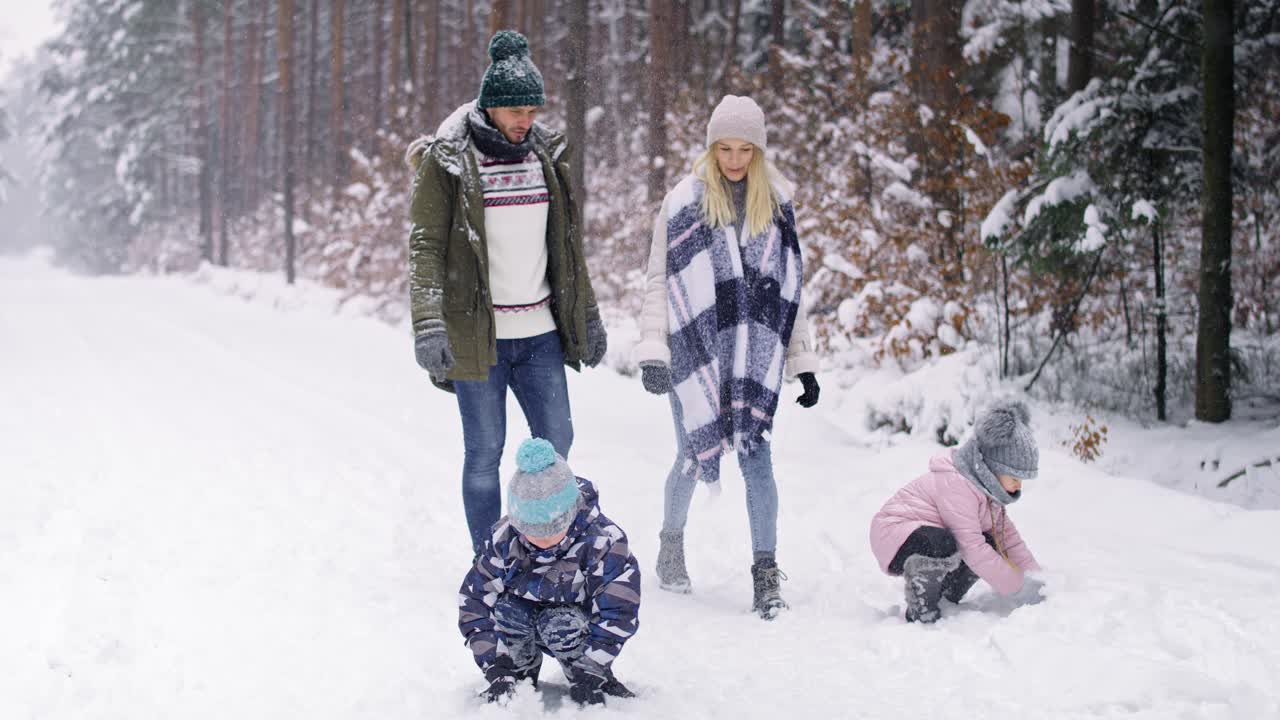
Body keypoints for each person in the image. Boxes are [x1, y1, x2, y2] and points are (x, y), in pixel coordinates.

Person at [405, 30, 607, 552]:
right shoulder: (450, 161)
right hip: (479, 338)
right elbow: (425, 245)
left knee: (557, 444)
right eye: (514, 109)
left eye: (532, 109)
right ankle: (488, 560)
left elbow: (567, 247)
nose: (524, 119)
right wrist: (429, 322)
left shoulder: (546, 157)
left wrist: (587, 314)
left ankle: (544, 542)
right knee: (484, 453)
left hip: (539, 333)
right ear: (490, 106)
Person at [633, 95, 821, 620]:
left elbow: (790, 293)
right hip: (695, 354)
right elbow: (658, 280)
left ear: (758, 152)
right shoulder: (683, 203)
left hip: (754, 358)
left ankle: (765, 573)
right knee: (693, 456)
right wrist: (654, 351)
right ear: (711, 148)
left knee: (757, 460)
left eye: (745, 150)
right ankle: (671, 543)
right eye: (725, 149)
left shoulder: (778, 207)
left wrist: (801, 363)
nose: (734, 160)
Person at [458, 438, 640, 706]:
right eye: (530, 531)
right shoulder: (503, 540)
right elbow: (475, 601)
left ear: (569, 514)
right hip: (521, 620)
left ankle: (580, 672)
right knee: (505, 610)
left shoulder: (602, 541)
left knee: (558, 622)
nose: (541, 541)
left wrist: (594, 663)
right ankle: (518, 672)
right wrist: (496, 666)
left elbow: (620, 609)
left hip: (576, 626)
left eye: (551, 529)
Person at [869, 400, 1043, 623]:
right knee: (946, 543)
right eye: (1014, 478)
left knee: (990, 542)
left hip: (925, 534)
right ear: (992, 469)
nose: (1019, 486)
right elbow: (972, 549)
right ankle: (922, 608)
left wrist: (1037, 581)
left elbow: (1008, 540)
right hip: (894, 532)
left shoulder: (990, 495)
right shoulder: (958, 484)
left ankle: (947, 597)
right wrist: (1018, 588)